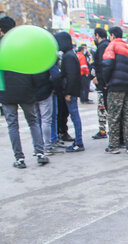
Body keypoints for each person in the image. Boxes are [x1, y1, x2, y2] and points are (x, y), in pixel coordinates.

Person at [0, 16, 49, 168]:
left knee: (12, 125)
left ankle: (19, 159)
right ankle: (40, 153)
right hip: (26, 89)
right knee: (33, 121)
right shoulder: (22, 42)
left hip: (6, 91)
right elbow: (33, 67)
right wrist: (34, 86)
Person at [102, 26, 128, 154]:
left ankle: (114, 145)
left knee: (114, 116)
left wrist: (106, 82)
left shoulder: (111, 46)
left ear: (112, 35)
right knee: (127, 116)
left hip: (116, 87)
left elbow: (107, 65)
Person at [54, 31, 85, 153]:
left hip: (70, 92)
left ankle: (78, 142)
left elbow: (71, 76)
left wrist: (68, 92)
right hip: (71, 91)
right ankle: (78, 141)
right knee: (74, 115)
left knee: (74, 116)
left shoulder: (68, 56)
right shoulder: (70, 55)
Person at [91, 28, 110, 140]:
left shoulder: (102, 46)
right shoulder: (105, 46)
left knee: (103, 109)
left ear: (97, 35)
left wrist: (101, 80)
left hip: (103, 84)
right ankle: (103, 130)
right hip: (103, 83)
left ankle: (103, 131)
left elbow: (102, 65)